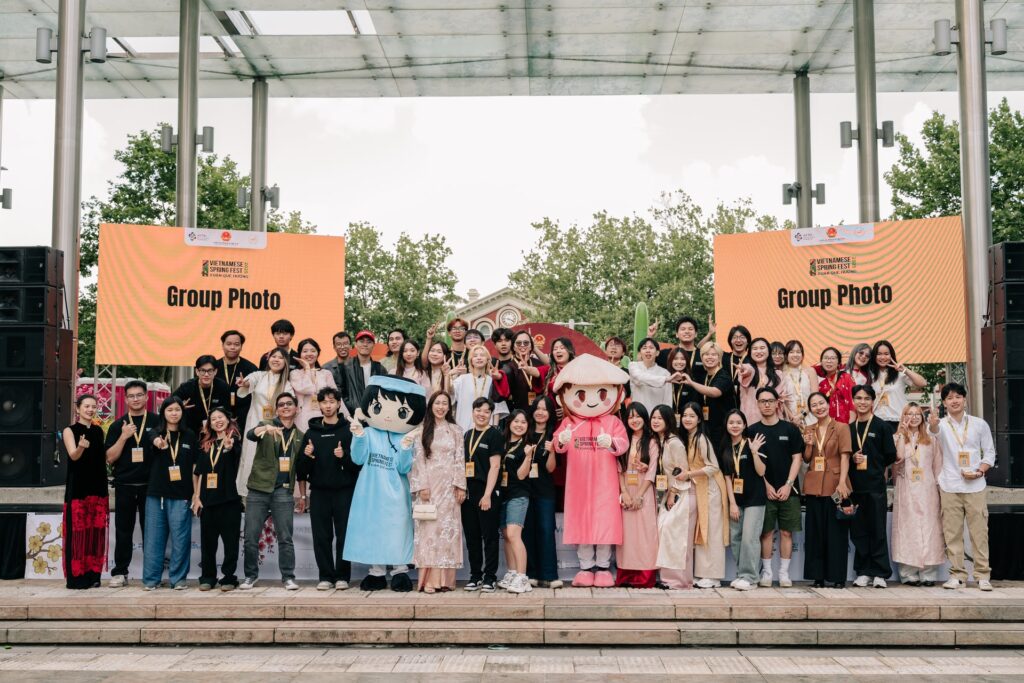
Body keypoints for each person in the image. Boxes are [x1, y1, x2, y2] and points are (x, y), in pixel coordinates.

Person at [552, 354, 629, 588]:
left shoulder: (613, 422)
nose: (592, 400)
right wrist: (562, 440)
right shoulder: (570, 422)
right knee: (582, 522)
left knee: (605, 521)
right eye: (582, 394)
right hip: (579, 483)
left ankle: (603, 568)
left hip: (606, 482)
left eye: (601, 393)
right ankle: (585, 567)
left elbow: (624, 444)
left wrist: (612, 442)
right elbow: (557, 444)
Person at [344, 376, 427, 592]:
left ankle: (400, 570)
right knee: (374, 529)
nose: (389, 416)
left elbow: (403, 467)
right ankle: (377, 571)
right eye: (379, 407)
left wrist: (406, 446)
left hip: (397, 492)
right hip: (370, 491)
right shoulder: (368, 433)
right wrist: (359, 436)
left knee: (398, 530)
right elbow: (357, 459)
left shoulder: (406, 437)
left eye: (401, 412)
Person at [929, 382, 995, 591]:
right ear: (944, 403)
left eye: (958, 396)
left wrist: (980, 471)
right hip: (950, 485)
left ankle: (982, 575)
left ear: (965, 399)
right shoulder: (941, 425)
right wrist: (932, 424)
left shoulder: (979, 424)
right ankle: (957, 575)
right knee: (952, 533)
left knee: (979, 532)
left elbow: (990, 453)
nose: (954, 401)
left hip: (975, 485)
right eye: (949, 398)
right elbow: (933, 431)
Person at [240, 392, 304, 591]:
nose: (285, 407)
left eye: (289, 404)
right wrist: (264, 428)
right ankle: (250, 576)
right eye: (281, 404)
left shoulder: (300, 436)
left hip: (283, 491)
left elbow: (302, 468)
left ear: (296, 409)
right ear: (276, 410)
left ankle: (288, 577)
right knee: (251, 537)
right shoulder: (266, 426)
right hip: (258, 489)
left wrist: (302, 495)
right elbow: (251, 434)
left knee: (285, 538)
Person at [296, 387, 357, 591]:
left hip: (344, 491)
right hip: (319, 491)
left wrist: (344, 456)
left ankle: (342, 576)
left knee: (344, 535)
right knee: (321, 536)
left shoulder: (349, 430)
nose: (328, 406)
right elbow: (301, 470)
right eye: (324, 402)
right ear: (319, 405)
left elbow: (358, 465)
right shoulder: (311, 433)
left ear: (339, 404)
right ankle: (325, 576)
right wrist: (307, 456)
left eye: (332, 401)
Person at [410, 391, 467, 593]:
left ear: (449, 407)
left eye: (444, 403)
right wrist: (422, 486)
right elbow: (418, 460)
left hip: (449, 488)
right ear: (431, 406)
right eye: (437, 403)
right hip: (430, 487)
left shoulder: (456, 430)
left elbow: (460, 458)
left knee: (447, 532)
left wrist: (460, 485)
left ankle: (445, 581)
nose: (441, 407)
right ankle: (429, 581)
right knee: (429, 532)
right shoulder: (422, 430)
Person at [746, 386, 803, 588]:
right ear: (757, 404)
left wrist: (788, 484)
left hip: (790, 490)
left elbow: (797, 459)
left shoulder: (790, 429)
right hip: (764, 491)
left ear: (778, 403)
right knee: (766, 533)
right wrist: (766, 485)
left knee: (787, 532)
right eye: (763, 401)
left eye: (770, 401)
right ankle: (767, 572)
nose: (767, 405)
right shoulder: (752, 431)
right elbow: (752, 465)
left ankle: (784, 574)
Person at [104, 380, 157, 587]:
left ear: (146, 397)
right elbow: (110, 458)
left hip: (150, 486)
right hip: (125, 485)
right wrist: (124, 437)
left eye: (139, 395)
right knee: (123, 531)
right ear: (125, 399)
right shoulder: (118, 425)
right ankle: (120, 572)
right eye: (131, 396)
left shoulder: (157, 421)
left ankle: (152, 573)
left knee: (151, 531)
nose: (136, 399)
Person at [142, 396, 198, 591]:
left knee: (181, 539)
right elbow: (153, 439)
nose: (174, 413)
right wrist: (159, 442)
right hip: (156, 494)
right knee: (153, 539)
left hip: (181, 494)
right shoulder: (155, 432)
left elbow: (194, 466)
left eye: (177, 409)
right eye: (170, 410)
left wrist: (195, 494)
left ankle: (178, 579)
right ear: (163, 412)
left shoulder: (189, 435)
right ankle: (151, 579)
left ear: (182, 412)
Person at [801, 392, 853, 588]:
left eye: (821, 403)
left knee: (836, 533)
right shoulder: (809, 429)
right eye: (814, 405)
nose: (819, 407)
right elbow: (807, 458)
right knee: (815, 533)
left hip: (834, 483)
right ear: (810, 409)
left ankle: (838, 577)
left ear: (829, 404)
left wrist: (842, 482)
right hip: (814, 484)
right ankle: (818, 577)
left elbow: (845, 456)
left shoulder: (841, 427)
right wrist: (808, 445)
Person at [848, 384, 897, 588]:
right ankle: (863, 571)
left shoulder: (882, 426)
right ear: (853, 401)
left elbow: (890, 455)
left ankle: (880, 573)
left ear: (872, 401)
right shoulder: (849, 428)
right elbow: (843, 457)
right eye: (858, 398)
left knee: (877, 529)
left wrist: (876, 466)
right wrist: (852, 458)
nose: (862, 402)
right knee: (858, 531)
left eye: (866, 398)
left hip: (875, 486)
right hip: (854, 488)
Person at [892, 402, 945, 586]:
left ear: (922, 418)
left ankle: (929, 573)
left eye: (917, 414)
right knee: (907, 528)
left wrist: (939, 489)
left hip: (927, 488)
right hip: (906, 486)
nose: (913, 417)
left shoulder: (931, 439)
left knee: (930, 527)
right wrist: (902, 434)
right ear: (903, 417)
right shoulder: (896, 437)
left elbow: (938, 466)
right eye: (909, 414)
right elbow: (897, 461)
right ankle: (908, 573)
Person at [678, 402, 729, 589]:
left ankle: (714, 576)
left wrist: (689, 474)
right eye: (685, 415)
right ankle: (703, 573)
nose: (687, 419)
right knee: (702, 529)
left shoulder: (701, 439)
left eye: (692, 416)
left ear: (699, 419)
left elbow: (713, 467)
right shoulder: (689, 437)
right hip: (700, 487)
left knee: (712, 531)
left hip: (712, 488)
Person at [191, 407, 242, 591]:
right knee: (208, 543)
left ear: (228, 419)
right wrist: (197, 497)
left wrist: (229, 447)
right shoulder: (206, 445)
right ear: (209, 424)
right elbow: (199, 473)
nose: (217, 421)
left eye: (221, 417)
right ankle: (208, 577)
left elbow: (236, 458)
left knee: (230, 543)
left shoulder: (235, 441)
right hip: (208, 501)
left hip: (229, 501)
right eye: (213, 419)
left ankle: (229, 578)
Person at [61, 394, 108, 589]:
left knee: (95, 533)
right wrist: (81, 447)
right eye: (86, 406)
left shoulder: (98, 431)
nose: (90, 409)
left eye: (93, 406)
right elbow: (73, 456)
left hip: (98, 488)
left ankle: (93, 575)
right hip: (78, 489)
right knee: (78, 534)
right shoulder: (69, 430)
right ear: (78, 409)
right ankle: (77, 577)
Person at [718, 410, 767, 591]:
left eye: (739, 422)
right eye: (731, 422)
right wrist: (732, 503)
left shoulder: (752, 443)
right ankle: (742, 574)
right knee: (737, 539)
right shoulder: (725, 448)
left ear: (745, 425)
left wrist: (754, 452)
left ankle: (751, 578)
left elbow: (761, 472)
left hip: (755, 499)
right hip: (736, 500)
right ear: (726, 425)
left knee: (749, 539)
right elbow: (727, 478)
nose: (735, 426)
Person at [235, 348, 293, 497]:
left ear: (285, 362)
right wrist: (244, 383)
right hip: (255, 423)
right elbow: (248, 383)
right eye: (274, 356)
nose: (276, 360)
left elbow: (290, 404)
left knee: (271, 459)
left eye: (280, 357)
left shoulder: (287, 384)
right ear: (268, 359)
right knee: (250, 457)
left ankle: (272, 494)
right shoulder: (258, 375)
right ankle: (247, 494)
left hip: (276, 428)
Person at [615, 403, 661, 588]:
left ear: (644, 418)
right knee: (628, 536)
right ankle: (626, 575)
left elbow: (652, 471)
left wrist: (640, 496)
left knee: (646, 533)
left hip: (645, 492)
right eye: (630, 417)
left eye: (638, 416)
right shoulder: (623, 440)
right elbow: (619, 468)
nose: (634, 420)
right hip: (627, 491)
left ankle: (645, 576)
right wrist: (624, 493)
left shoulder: (652, 441)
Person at [461, 397, 504, 591]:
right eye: (478, 410)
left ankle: (490, 577)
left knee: (489, 537)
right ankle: (475, 575)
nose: (482, 414)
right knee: (472, 537)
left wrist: (487, 495)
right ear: (472, 412)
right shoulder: (467, 435)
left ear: (491, 414)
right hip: (468, 492)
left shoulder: (494, 434)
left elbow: (495, 466)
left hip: (486, 491)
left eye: (487, 411)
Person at [655, 404, 696, 590]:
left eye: (660, 418)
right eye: (654, 418)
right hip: (671, 494)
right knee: (667, 533)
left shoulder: (674, 443)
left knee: (676, 537)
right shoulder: (662, 441)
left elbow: (682, 471)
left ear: (668, 420)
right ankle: (669, 579)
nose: (656, 421)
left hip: (682, 493)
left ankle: (678, 581)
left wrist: (673, 494)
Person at [524, 395, 561, 589]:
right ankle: (531, 574)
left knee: (546, 530)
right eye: (537, 408)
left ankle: (549, 575)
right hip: (524, 489)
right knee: (527, 531)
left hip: (545, 490)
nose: (540, 412)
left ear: (550, 413)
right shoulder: (525, 431)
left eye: (544, 409)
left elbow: (551, 468)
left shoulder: (554, 434)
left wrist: (552, 451)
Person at [497, 410, 535, 594]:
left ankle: (522, 577)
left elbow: (521, 475)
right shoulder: (501, 442)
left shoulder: (527, 446)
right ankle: (512, 573)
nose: (519, 425)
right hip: (502, 494)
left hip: (518, 495)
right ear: (509, 422)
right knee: (506, 535)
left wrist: (528, 456)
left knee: (513, 534)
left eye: (523, 422)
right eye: (516, 421)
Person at [682, 342, 733, 449]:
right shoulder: (703, 376)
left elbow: (715, 392)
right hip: (706, 427)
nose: (710, 357)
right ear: (701, 357)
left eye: (714, 354)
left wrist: (692, 383)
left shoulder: (724, 376)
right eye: (706, 354)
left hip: (722, 428)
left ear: (719, 358)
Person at [869, 340, 928, 431]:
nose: (883, 357)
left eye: (886, 354)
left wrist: (905, 370)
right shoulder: (870, 375)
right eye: (879, 354)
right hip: (876, 420)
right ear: (874, 356)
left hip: (898, 420)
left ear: (891, 355)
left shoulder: (899, 373)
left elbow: (923, 383)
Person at [737, 338, 796, 424]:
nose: (758, 351)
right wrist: (744, 370)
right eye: (755, 349)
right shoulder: (747, 369)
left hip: (773, 422)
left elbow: (780, 399)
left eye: (762, 348)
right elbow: (748, 370)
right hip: (751, 421)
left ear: (769, 351)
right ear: (750, 353)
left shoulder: (778, 374)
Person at [289, 338, 343, 430]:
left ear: (318, 353)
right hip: (302, 417)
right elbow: (306, 389)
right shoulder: (295, 373)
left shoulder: (326, 373)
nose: (309, 354)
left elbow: (336, 396)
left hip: (324, 415)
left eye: (313, 351)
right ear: (300, 354)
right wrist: (307, 368)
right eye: (305, 351)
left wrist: (345, 417)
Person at [174, 355, 232, 437]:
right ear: (197, 371)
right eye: (202, 371)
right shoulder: (187, 387)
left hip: (215, 431)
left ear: (215, 372)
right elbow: (170, 403)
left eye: (210, 371)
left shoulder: (223, 387)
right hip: (190, 430)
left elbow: (228, 412)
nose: (206, 374)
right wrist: (179, 406)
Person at [491, 329, 544, 416]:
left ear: (531, 346)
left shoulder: (538, 363)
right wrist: (499, 377)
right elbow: (504, 378)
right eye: (519, 343)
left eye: (526, 343)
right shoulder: (509, 367)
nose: (522, 345)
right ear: (514, 347)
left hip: (540, 412)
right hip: (519, 415)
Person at [453, 345, 506, 431]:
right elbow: (450, 396)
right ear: (471, 360)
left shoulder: (492, 380)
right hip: (464, 425)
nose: (479, 358)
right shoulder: (462, 379)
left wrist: (495, 427)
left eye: (482, 355)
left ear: (488, 360)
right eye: (475, 356)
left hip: (486, 428)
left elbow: (498, 407)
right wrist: (448, 375)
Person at [216, 330, 259, 435]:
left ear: (241, 346)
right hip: (218, 416)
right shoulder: (214, 367)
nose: (232, 347)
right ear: (222, 345)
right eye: (229, 344)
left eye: (236, 344)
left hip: (243, 416)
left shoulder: (251, 368)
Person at [342, 330, 386, 417]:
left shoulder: (380, 369)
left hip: (375, 415)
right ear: (355, 344)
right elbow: (341, 393)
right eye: (362, 341)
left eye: (369, 342)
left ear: (373, 346)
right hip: (352, 416)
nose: (365, 344)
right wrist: (354, 409)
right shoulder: (345, 367)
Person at [651, 316, 709, 381]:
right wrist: (649, 336)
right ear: (677, 334)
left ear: (696, 334)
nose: (687, 331)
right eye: (683, 329)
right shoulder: (666, 354)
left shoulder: (704, 355)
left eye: (690, 329)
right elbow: (645, 359)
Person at [629, 337, 674, 412]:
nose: (648, 351)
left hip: (657, 416)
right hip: (638, 415)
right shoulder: (633, 366)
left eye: (651, 348)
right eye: (644, 348)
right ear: (639, 353)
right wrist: (665, 379)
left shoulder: (665, 373)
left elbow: (667, 400)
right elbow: (640, 377)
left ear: (657, 353)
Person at [815, 346, 856, 424]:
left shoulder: (846, 378)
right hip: (828, 425)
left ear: (839, 363)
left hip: (846, 424)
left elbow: (853, 404)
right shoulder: (822, 384)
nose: (829, 361)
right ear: (821, 362)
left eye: (833, 358)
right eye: (826, 358)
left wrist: (851, 426)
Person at [782, 340, 817, 425]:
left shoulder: (810, 371)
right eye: (791, 352)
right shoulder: (781, 374)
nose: (795, 355)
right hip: (789, 419)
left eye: (798, 352)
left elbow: (815, 397)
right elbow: (781, 401)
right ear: (786, 355)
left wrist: (801, 416)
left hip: (810, 417)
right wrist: (792, 418)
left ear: (802, 355)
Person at [725, 324, 752, 407]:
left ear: (748, 341)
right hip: (726, 403)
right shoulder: (723, 357)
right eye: (735, 337)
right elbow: (700, 351)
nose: (738, 340)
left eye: (742, 337)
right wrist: (709, 334)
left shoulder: (753, 359)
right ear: (730, 341)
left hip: (747, 403)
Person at [322, 331, 352, 402]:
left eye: (345, 344)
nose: (342, 347)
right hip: (335, 405)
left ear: (350, 346)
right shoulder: (326, 368)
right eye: (339, 344)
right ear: (334, 347)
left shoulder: (358, 365)